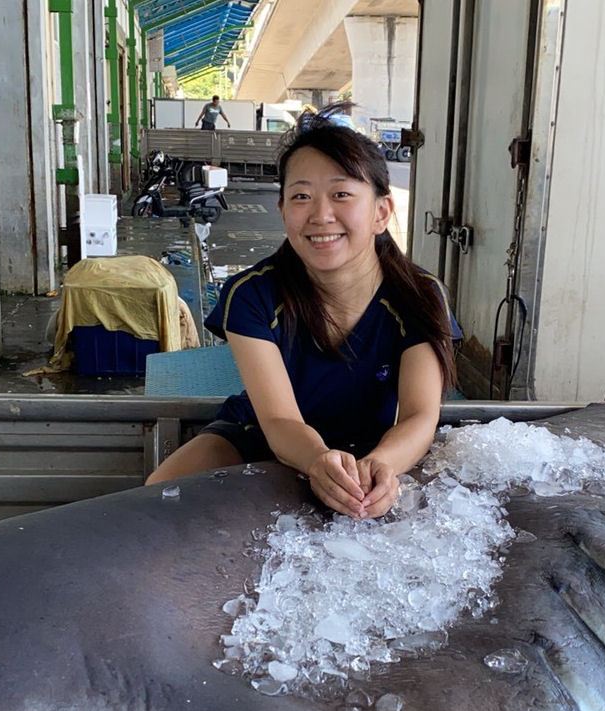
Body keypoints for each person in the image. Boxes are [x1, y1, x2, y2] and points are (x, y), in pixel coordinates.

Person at [146, 104, 457, 520]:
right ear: (283, 212)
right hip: (264, 436)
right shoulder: (252, 294)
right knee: (156, 496)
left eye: (342, 194)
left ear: (381, 212)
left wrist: (384, 465)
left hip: (373, 447)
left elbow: (421, 413)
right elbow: (277, 419)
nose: (320, 215)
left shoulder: (419, 294)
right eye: (301, 196)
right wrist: (317, 461)